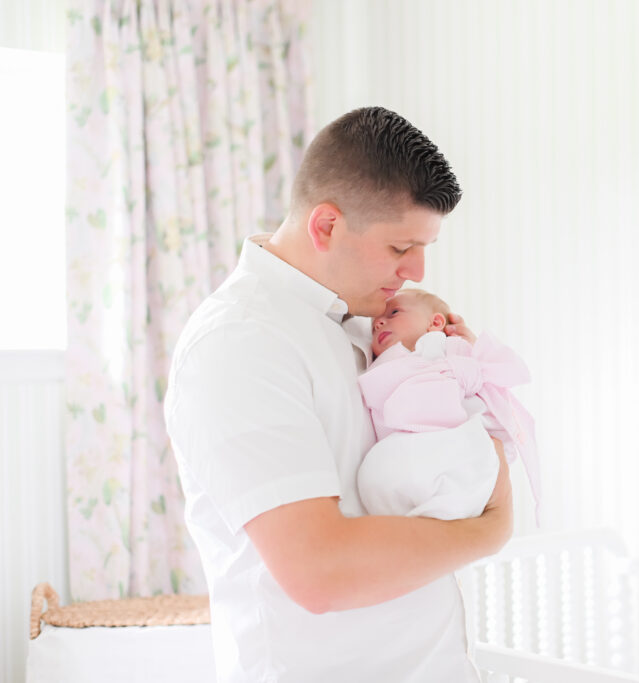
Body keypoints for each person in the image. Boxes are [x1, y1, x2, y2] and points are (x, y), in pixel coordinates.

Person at [163, 107, 512, 683]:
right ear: (325, 225)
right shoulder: (241, 343)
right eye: (401, 247)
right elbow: (320, 572)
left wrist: (459, 377)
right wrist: (490, 530)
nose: (418, 268)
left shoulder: (366, 320)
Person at [357, 289, 540, 522]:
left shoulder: (455, 356)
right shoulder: (384, 366)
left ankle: (448, 508)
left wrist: (469, 350)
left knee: (469, 461)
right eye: (374, 325)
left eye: (394, 312)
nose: (379, 323)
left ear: (435, 322)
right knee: (375, 472)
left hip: (457, 444)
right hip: (406, 451)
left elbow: (493, 413)